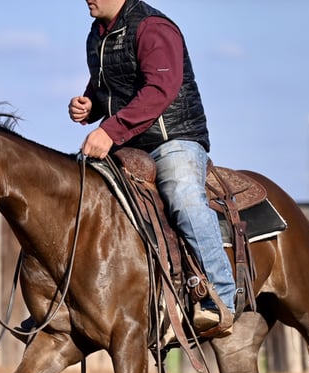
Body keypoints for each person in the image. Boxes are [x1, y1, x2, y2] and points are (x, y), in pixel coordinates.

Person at [69, 0, 236, 333]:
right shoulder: (98, 33)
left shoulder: (154, 28)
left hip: (174, 140)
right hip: (128, 143)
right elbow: (111, 85)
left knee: (184, 199)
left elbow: (159, 91)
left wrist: (109, 130)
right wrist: (89, 104)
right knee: (77, 190)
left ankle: (220, 299)